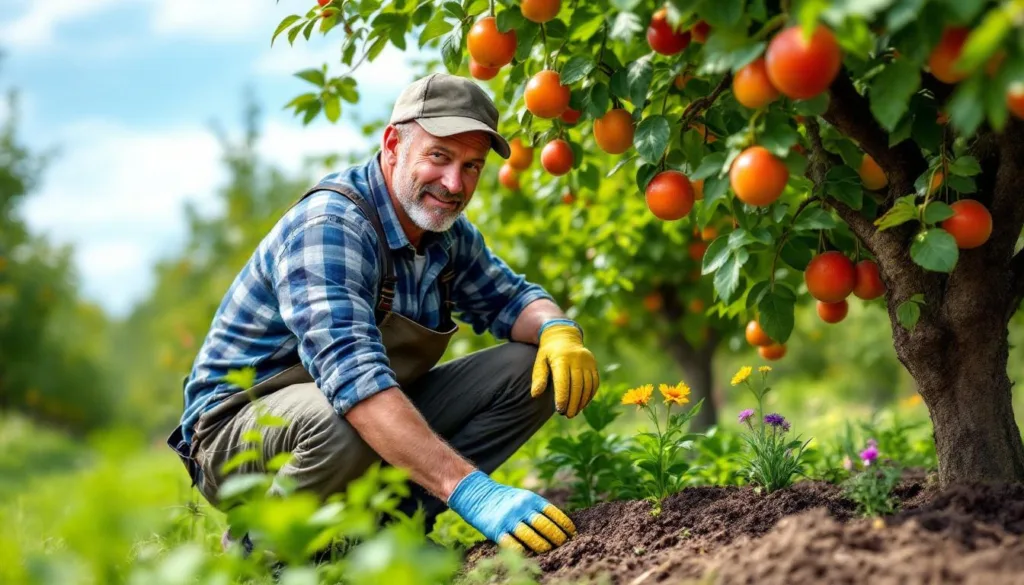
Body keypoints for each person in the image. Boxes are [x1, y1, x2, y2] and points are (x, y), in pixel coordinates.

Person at [166, 72, 601, 556]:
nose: (454, 184)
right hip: (236, 432)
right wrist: (473, 491)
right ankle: (263, 553)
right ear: (393, 145)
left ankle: (384, 532)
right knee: (340, 421)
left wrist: (557, 329)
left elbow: (514, 300)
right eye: (439, 157)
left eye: (471, 166)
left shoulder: (446, 235)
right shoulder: (331, 226)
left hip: (354, 408)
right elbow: (354, 383)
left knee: (532, 368)